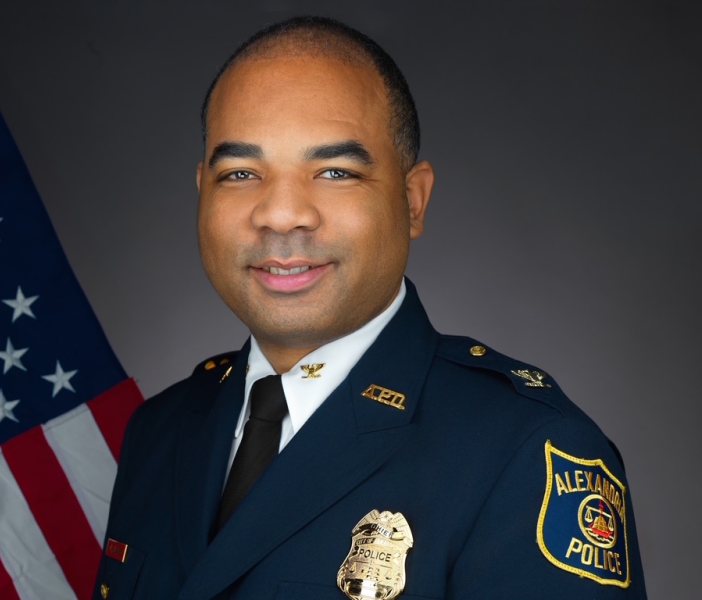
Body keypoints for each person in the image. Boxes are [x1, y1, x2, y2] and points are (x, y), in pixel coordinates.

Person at [94, 16, 646, 600]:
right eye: (241, 173)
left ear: (412, 202)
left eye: (335, 172)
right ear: (202, 191)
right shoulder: (160, 432)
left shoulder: (523, 454)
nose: (281, 215)